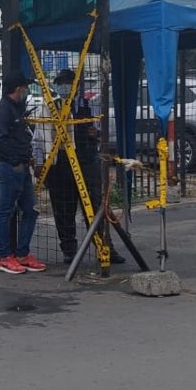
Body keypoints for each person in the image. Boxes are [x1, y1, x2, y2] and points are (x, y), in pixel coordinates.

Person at [45, 69, 126, 266]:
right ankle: (70, 251)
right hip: (62, 164)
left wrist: (95, 132)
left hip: (87, 162)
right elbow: (43, 136)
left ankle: (105, 248)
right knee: (64, 209)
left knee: (96, 206)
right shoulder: (51, 107)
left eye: (68, 82)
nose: (64, 86)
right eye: (61, 83)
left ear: (76, 85)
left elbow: (101, 130)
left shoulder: (90, 105)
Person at [0, 74, 45, 274]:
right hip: (7, 165)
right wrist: (15, 161)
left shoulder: (17, 109)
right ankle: (4, 256)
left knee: (30, 209)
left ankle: (22, 253)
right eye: (24, 88)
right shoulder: (3, 110)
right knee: (6, 211)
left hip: (19, 164)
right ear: (18, 89)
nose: (27, 92)